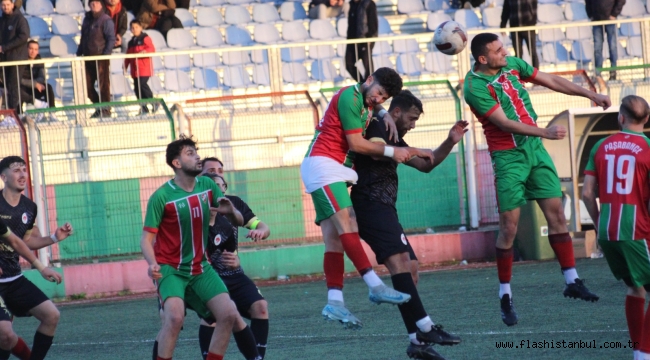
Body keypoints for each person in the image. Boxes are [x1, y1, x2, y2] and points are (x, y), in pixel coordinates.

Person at [463, 33, 610, 326]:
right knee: (509, 227)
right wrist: (545, 132)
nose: (504, 52)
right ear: (483, 59)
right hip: (508, 157)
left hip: (535, 151)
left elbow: (551, 80)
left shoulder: (512, 65)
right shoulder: (473, 86)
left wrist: (589, 94)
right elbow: (503, 123)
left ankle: (572, 280)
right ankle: (505, 293)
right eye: (497, 50)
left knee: (556, 215)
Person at [301, 67, 434, 329]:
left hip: (332, 169)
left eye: (384, 98)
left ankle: (335, 303)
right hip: (324, 166)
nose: (378, 99)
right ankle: (375, 285)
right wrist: (393, 152)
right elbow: (357, 145)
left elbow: (374, 108)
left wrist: (383, 112)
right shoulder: (350, 98)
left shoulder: (366, 103)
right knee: (349, 223)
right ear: (369, 80)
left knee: (335, 240)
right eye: (379, 93)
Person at [351, 90, 466, 360]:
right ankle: (425, 327)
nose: (413, 124)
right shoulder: (379, 125)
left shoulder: (394, 135)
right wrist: (407, 150)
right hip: (370, 203)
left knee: (411, 268)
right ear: (397, 111)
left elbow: (426, 165)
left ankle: (416, 342)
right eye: (412, 118)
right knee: (401, 263)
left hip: (384, 207)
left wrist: (450, 142)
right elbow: (379, 154)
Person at [141, 135, 252, 360]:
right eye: (190, 153)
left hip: (200, 267)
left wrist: (231, 211)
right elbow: (146, 239)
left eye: (196, 152)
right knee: (174, 319)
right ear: (177, 163)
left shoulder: (208, 185)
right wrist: (152, 263)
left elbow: (237, 220)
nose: (197, 157)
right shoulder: (161, 197)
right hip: (170, 269)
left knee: (229, 314)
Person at [582, 95, 650, 360]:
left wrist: (599, 225)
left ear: (620, 117)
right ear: (646, 119)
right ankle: (644, 354)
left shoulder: (600, 145)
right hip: (637, 230)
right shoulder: (647, 148)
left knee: (636, 288)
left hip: (608, 230)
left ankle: (638, 352)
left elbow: (588, 194)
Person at [0, 156, 72, 360]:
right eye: (16, 170)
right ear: (3, 176)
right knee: (5, 335)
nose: (22, 174)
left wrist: (53, 238)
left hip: (13, 278)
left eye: (24, 169)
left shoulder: (29, 208)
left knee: (52, 315)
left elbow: (22, 242)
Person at [198, 172, 270, 360]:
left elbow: (259, 226)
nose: (216, 186)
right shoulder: (195, 212)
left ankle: (257, 357)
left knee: (260, 306)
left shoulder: (233, 205)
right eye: (211, 183)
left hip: (234, 273)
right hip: (208, 274)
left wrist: (260, 232)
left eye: (220, 181)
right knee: (213, 318)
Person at [78, 0, 115, 118]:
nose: (94, 4)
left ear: (101, 4)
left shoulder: (106, 20)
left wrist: (105, 55)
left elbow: (111, 39)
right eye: (92, 2)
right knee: (87, 86)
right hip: (87, 57)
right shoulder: (86, 19)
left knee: (103, 86)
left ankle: (105, 111)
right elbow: (83, 37)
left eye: (97, 2)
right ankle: (100, 107)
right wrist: (79, 53)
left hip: (100, 57)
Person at [0, 0, 29, 114]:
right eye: (3, 5)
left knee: (13, 87)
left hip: (16, 59)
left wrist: (4, 47)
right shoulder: (2, 21)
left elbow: (24, 36)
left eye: (8, 5)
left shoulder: (20, 19)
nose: (6, 7)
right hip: (5, 60)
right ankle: (14, 113)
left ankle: (14, 115)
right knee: (10, 87)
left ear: (13, 5)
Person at [586, 0, 625, 81]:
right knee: (597, 48)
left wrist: (614, 14)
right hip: (596, 20)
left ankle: (613, 72)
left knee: (612, 46)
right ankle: (598, 74)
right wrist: (591, 15)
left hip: (609, 19)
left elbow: (621, 1)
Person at [124, 20, 155, 115]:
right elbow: (128, 56)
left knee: (142, 85)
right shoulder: (131, 42)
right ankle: (144, 107)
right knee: (137, 88)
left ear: (141, 28)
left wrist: (144, 52)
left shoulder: (145, 38)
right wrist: (125, 66)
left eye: (136, 27)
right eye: (132, 27)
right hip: (135, 69)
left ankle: (154, 102)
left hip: (144, 68)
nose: (134, 29)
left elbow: (151, 49)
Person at [500, 0, 538, 69]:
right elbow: (506, 9)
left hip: (529, 27)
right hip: (515, 27)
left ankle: (537, 74)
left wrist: (532, 22)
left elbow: (534, 7)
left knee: (532, 52)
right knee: (518, 53)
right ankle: (518, 74)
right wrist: (503, 24)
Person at [345, 0, 377, 83]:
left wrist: (370, 39)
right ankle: (363, 84)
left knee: (368, 66)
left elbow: (373, 24)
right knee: (348, 63)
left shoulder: (368, 4)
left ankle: (369, 86)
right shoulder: (351, 4)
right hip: (352, 41)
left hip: (365, 40)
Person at [20, 40, 56, 109]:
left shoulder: (39, 61)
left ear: (38, 51)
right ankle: (19, 115)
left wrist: (36, 85)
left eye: (35, 49)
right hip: (24, 88)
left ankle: (52, 111)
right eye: (31, 49)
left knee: (48, 87)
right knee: (18, 90)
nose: (33, 52)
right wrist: (34, 84)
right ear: (26, 49)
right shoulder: (20, 61)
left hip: (36, 88)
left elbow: (42, 78)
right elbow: (20, 79)